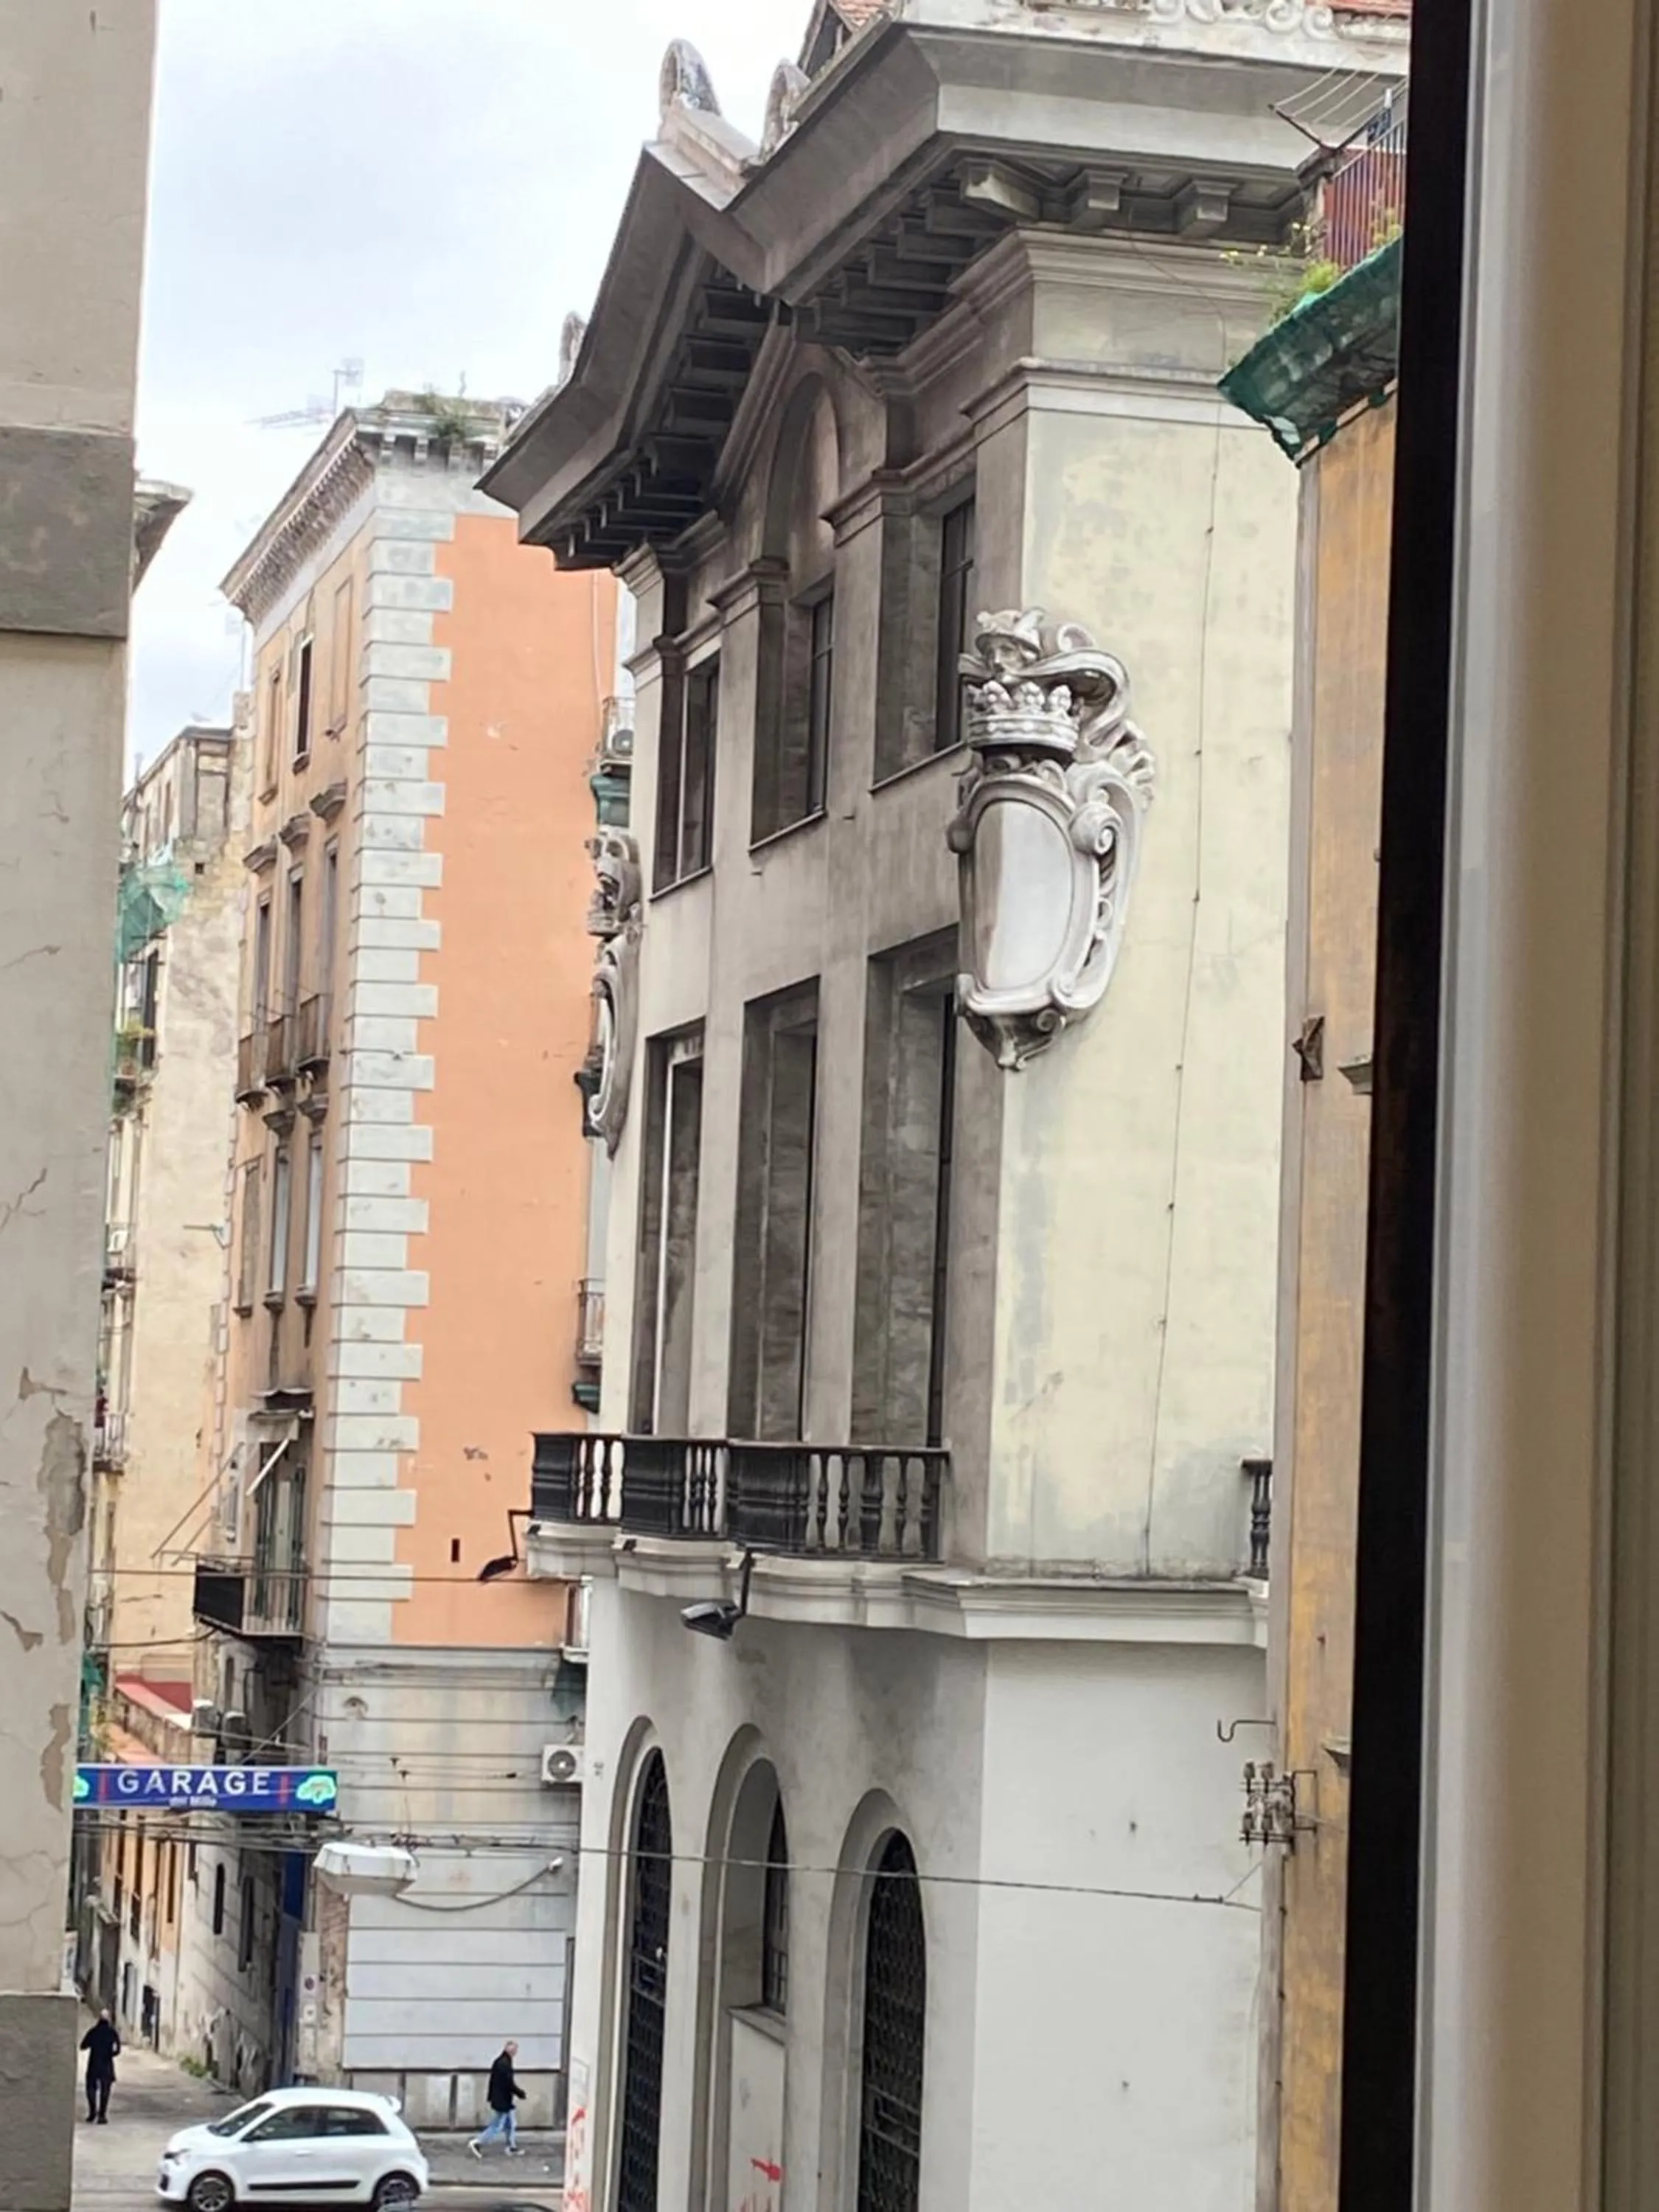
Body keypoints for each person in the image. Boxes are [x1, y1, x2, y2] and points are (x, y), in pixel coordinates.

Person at [468, 2038, 526, 2159]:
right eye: (515, 2050)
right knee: (496, 2126)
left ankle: (512, 2146)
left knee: (511, 2124)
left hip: (502, 2099)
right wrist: (520, 2093)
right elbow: (508, 2083)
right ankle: (477, 2142)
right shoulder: (504, 2064)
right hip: (503, 2101)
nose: (516, 2052)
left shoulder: (500, 2061)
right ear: (511, 2051)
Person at [80, 2008, 120, 2124]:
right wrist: (110, 2054)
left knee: (91, 2089)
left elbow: (83, 2045)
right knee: (105, 2091)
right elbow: (118, 2050)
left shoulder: (93, 2031)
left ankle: (92, 2113)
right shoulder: (112, 2032)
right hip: (107, 2065)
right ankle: (102, 2115)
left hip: (94, 2064)